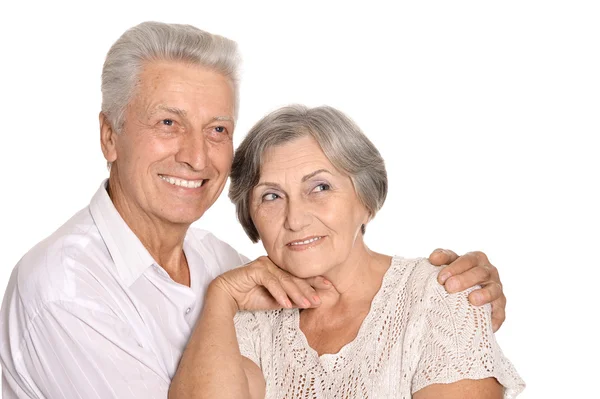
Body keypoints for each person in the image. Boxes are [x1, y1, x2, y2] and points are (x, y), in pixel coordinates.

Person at [1, 22, 507, 398]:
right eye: (168, 123)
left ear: (368, 198)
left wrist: (460, 303)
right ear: (110, 136)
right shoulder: (64, 290)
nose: (197, 156)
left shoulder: (222, 262)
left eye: (217, 129)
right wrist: (221, 299)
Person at [169, 105, 525, 398]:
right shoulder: (247, 323)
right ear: (251, 218)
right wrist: (221, 296)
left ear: (366, 202)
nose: (295, 219)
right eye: (271, 196)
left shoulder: (441, 297)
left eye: (320, 187)